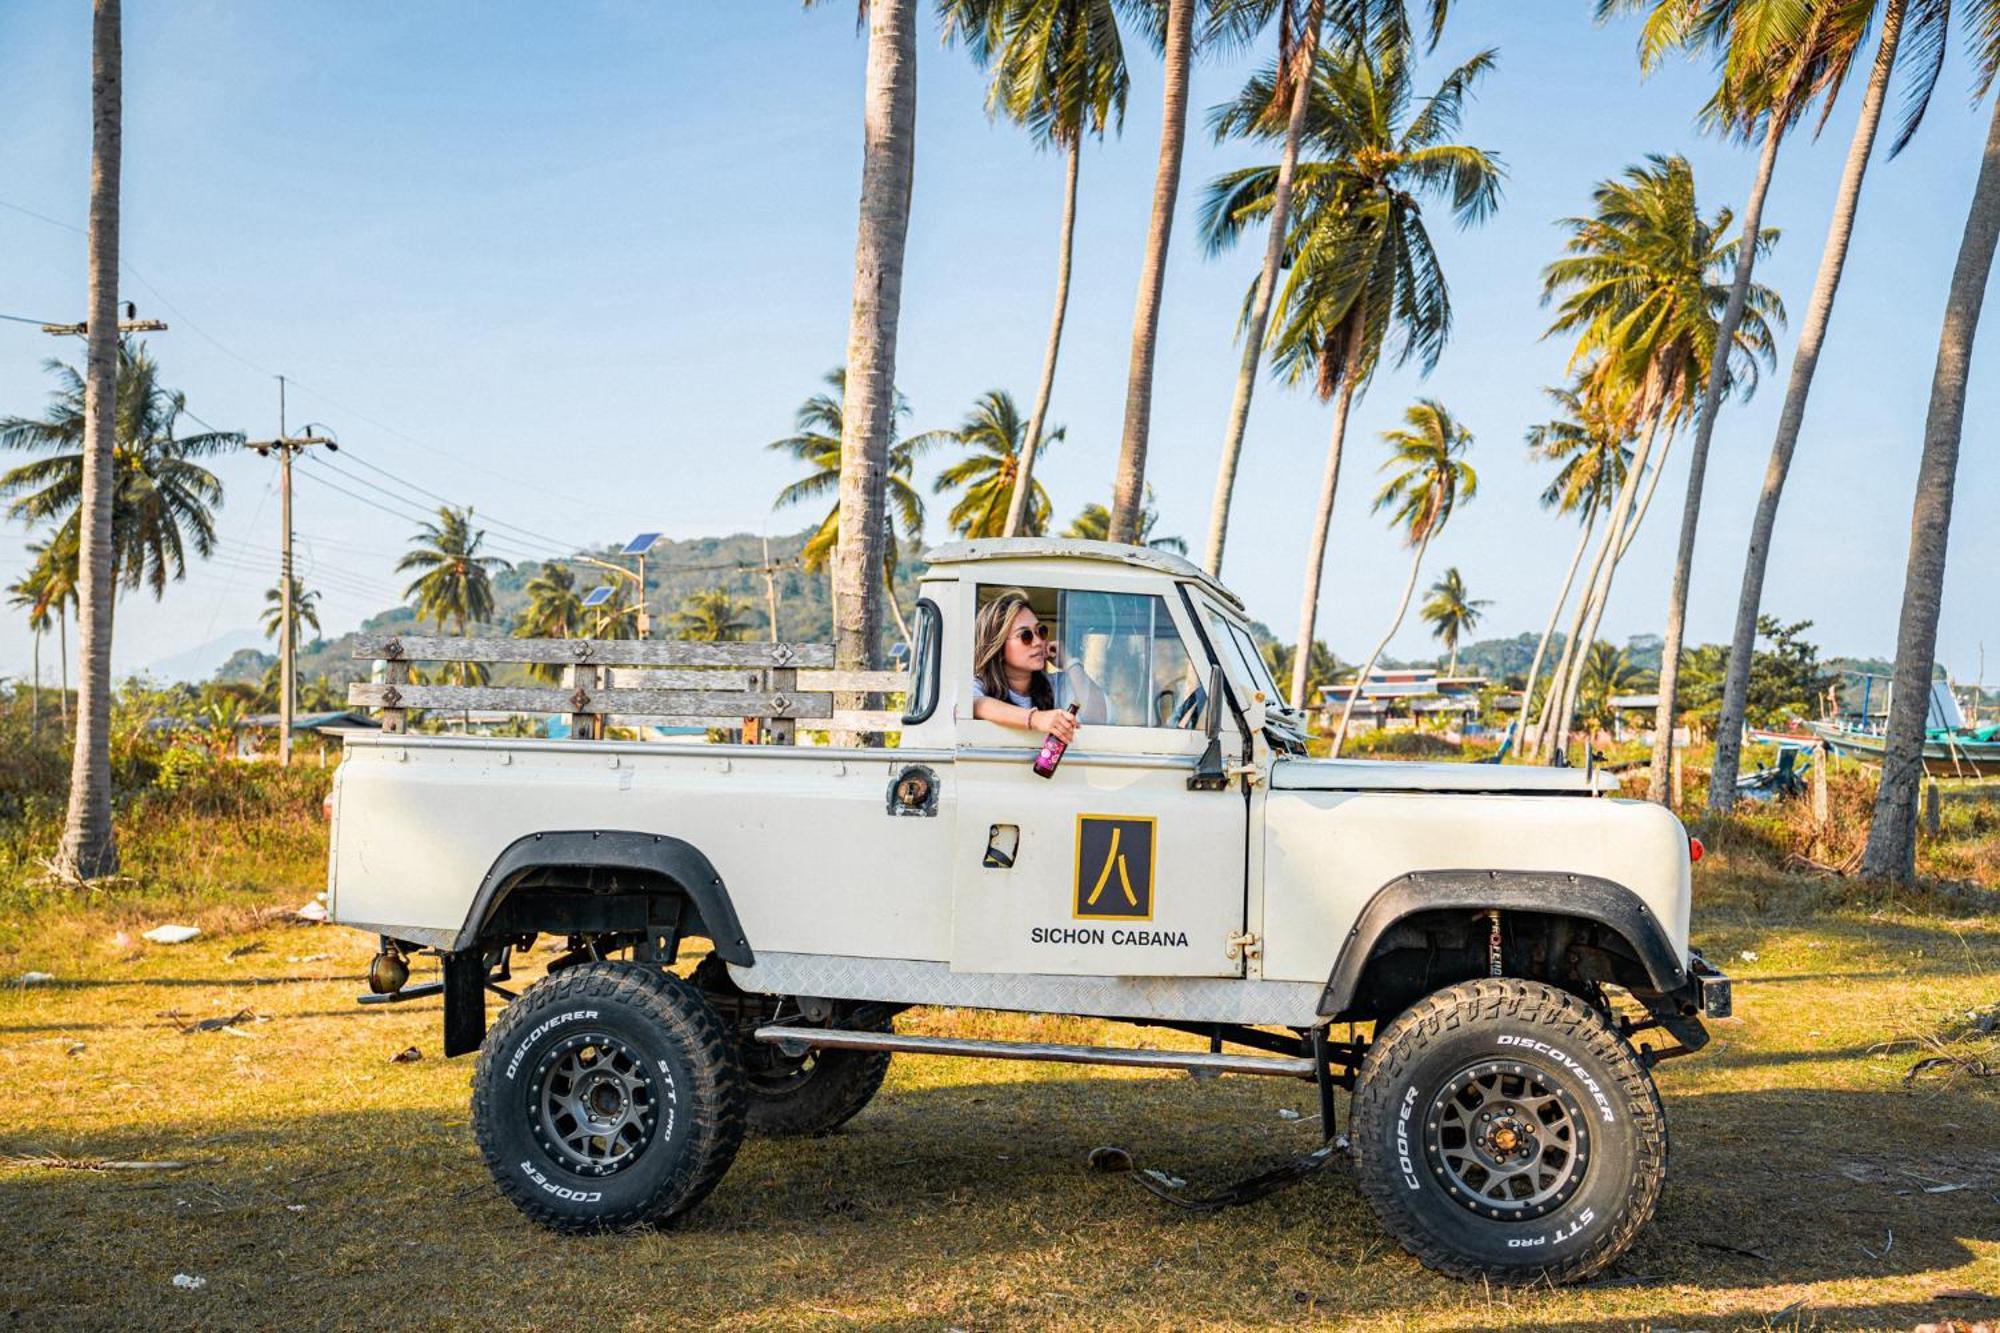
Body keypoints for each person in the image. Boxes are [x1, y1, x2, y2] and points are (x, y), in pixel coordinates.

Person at [968, 588, 1106, 742]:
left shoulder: (1056, 685)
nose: (1038, 642)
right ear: (998, 647)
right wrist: (1037, 719)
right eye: (1025, 636)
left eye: (1041, 631)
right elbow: (974, 704)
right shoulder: (978, 686)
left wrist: (1070, 663)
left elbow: (1099, 717)